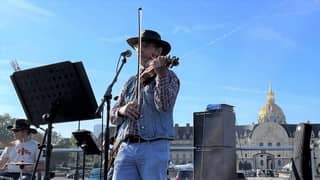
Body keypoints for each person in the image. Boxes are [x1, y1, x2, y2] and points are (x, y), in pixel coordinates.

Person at [110, 29, 180, 180]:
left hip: (153, 146)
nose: (140, 49)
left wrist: (161, 75)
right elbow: (113, 114)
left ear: (158, 51)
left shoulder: (169, 76)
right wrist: (123, 110)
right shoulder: (130, 82)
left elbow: (164, 106)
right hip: (126, 147)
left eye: (146, 45)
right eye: (138, 46)